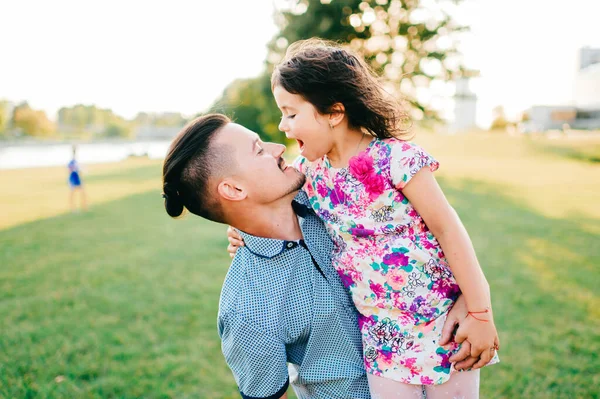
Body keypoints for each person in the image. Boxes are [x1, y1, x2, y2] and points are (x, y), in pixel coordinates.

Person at [227, 39, 499, 399]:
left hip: (445, 324)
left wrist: (479, 311)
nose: (283, 126)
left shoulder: (397, 159)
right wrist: (240, 230)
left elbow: (447, 229)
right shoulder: (308, 173)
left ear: (334, 112)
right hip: (380, 340)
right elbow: (267, 202)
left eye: (291, 114)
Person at [162, 114, 476, 399]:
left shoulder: (332, 197)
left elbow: (435, 230)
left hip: (436, 372)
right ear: (233, 190)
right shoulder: (246, 308)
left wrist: (470, 300)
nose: (277, 148)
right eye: (259, 150)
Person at [68, 145, 87, 212]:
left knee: (82, 193)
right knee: (72, 194)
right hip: (73, 179)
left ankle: (84, 206)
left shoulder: (76, 161)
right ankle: (73, 208)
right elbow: (70, 170)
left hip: (77, 179)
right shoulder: (72, 162)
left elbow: (79, 170)